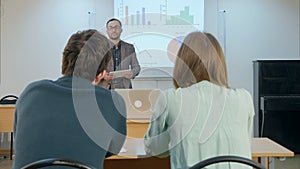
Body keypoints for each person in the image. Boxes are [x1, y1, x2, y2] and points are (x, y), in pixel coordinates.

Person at [12, 30, 127, 169]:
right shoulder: (113, 102)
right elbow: (112, 150)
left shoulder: (31, 92)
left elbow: (20, 139)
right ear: (101, 74)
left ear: (63, 61)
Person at [144, 32, 254, 169]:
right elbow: (245, 144)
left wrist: (176, 136)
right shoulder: (244, 98)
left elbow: (155, 149)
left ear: (182, 63)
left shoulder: (170, 99)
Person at [105, 18, 141, 89]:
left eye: (116, 27)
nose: (114, 30)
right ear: (107, 31)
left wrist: (132, 73)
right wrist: (103, 76)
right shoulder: (100, 48)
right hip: (106, 87)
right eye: (111, 28)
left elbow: (136, 67)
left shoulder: (129, 47)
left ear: (121, 30)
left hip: (125, 86)